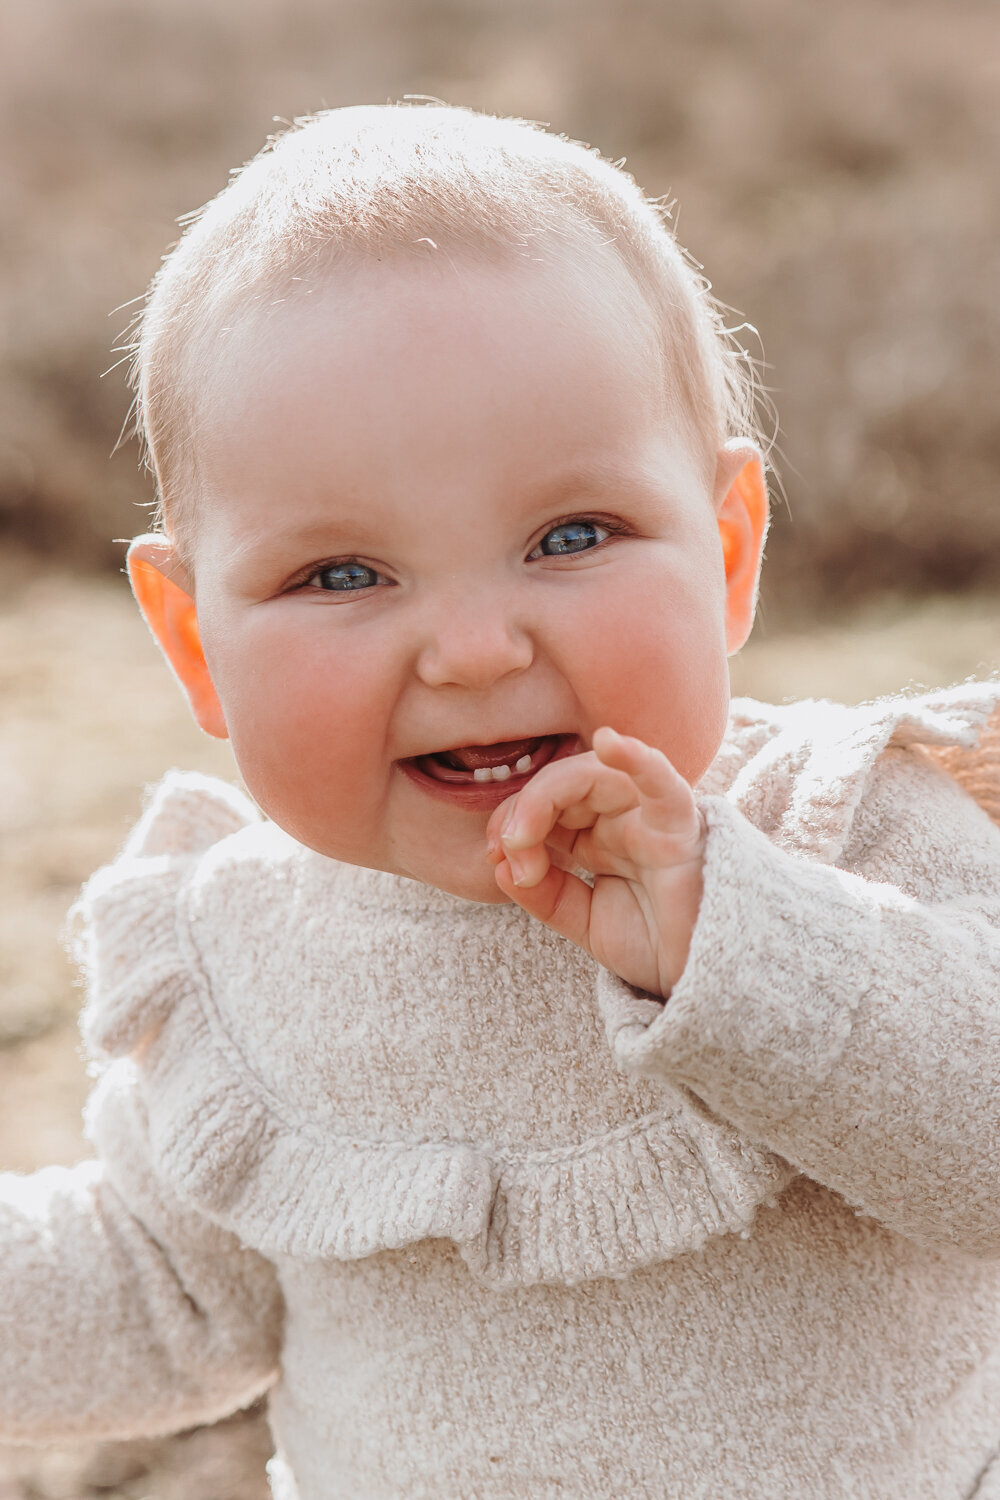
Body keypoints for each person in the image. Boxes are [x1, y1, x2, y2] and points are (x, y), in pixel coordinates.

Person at [2, 102, 999, 1500]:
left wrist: (745, 934)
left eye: (571, 537)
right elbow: (156, 1284)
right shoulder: (244, 958)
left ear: (725, 555)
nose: (474, 649)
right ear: (191, 644)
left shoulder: (841, 828)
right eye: (342, 575)